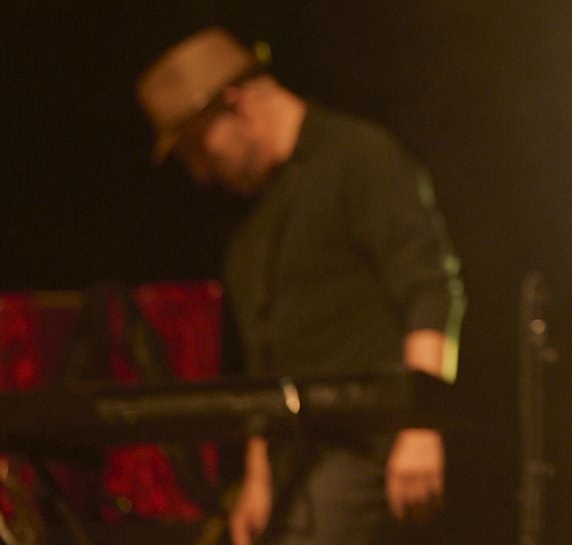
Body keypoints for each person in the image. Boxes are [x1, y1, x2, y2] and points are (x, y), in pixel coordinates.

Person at [136, 28, 465, 545]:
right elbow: (265, 369)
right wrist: (258, 478)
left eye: (199, 147)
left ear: (237, 105)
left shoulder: (359, 157)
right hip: (296, 462)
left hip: (366, 446)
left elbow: (431, 290)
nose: (200, 173)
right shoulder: (253, 229)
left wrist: (420, 424)